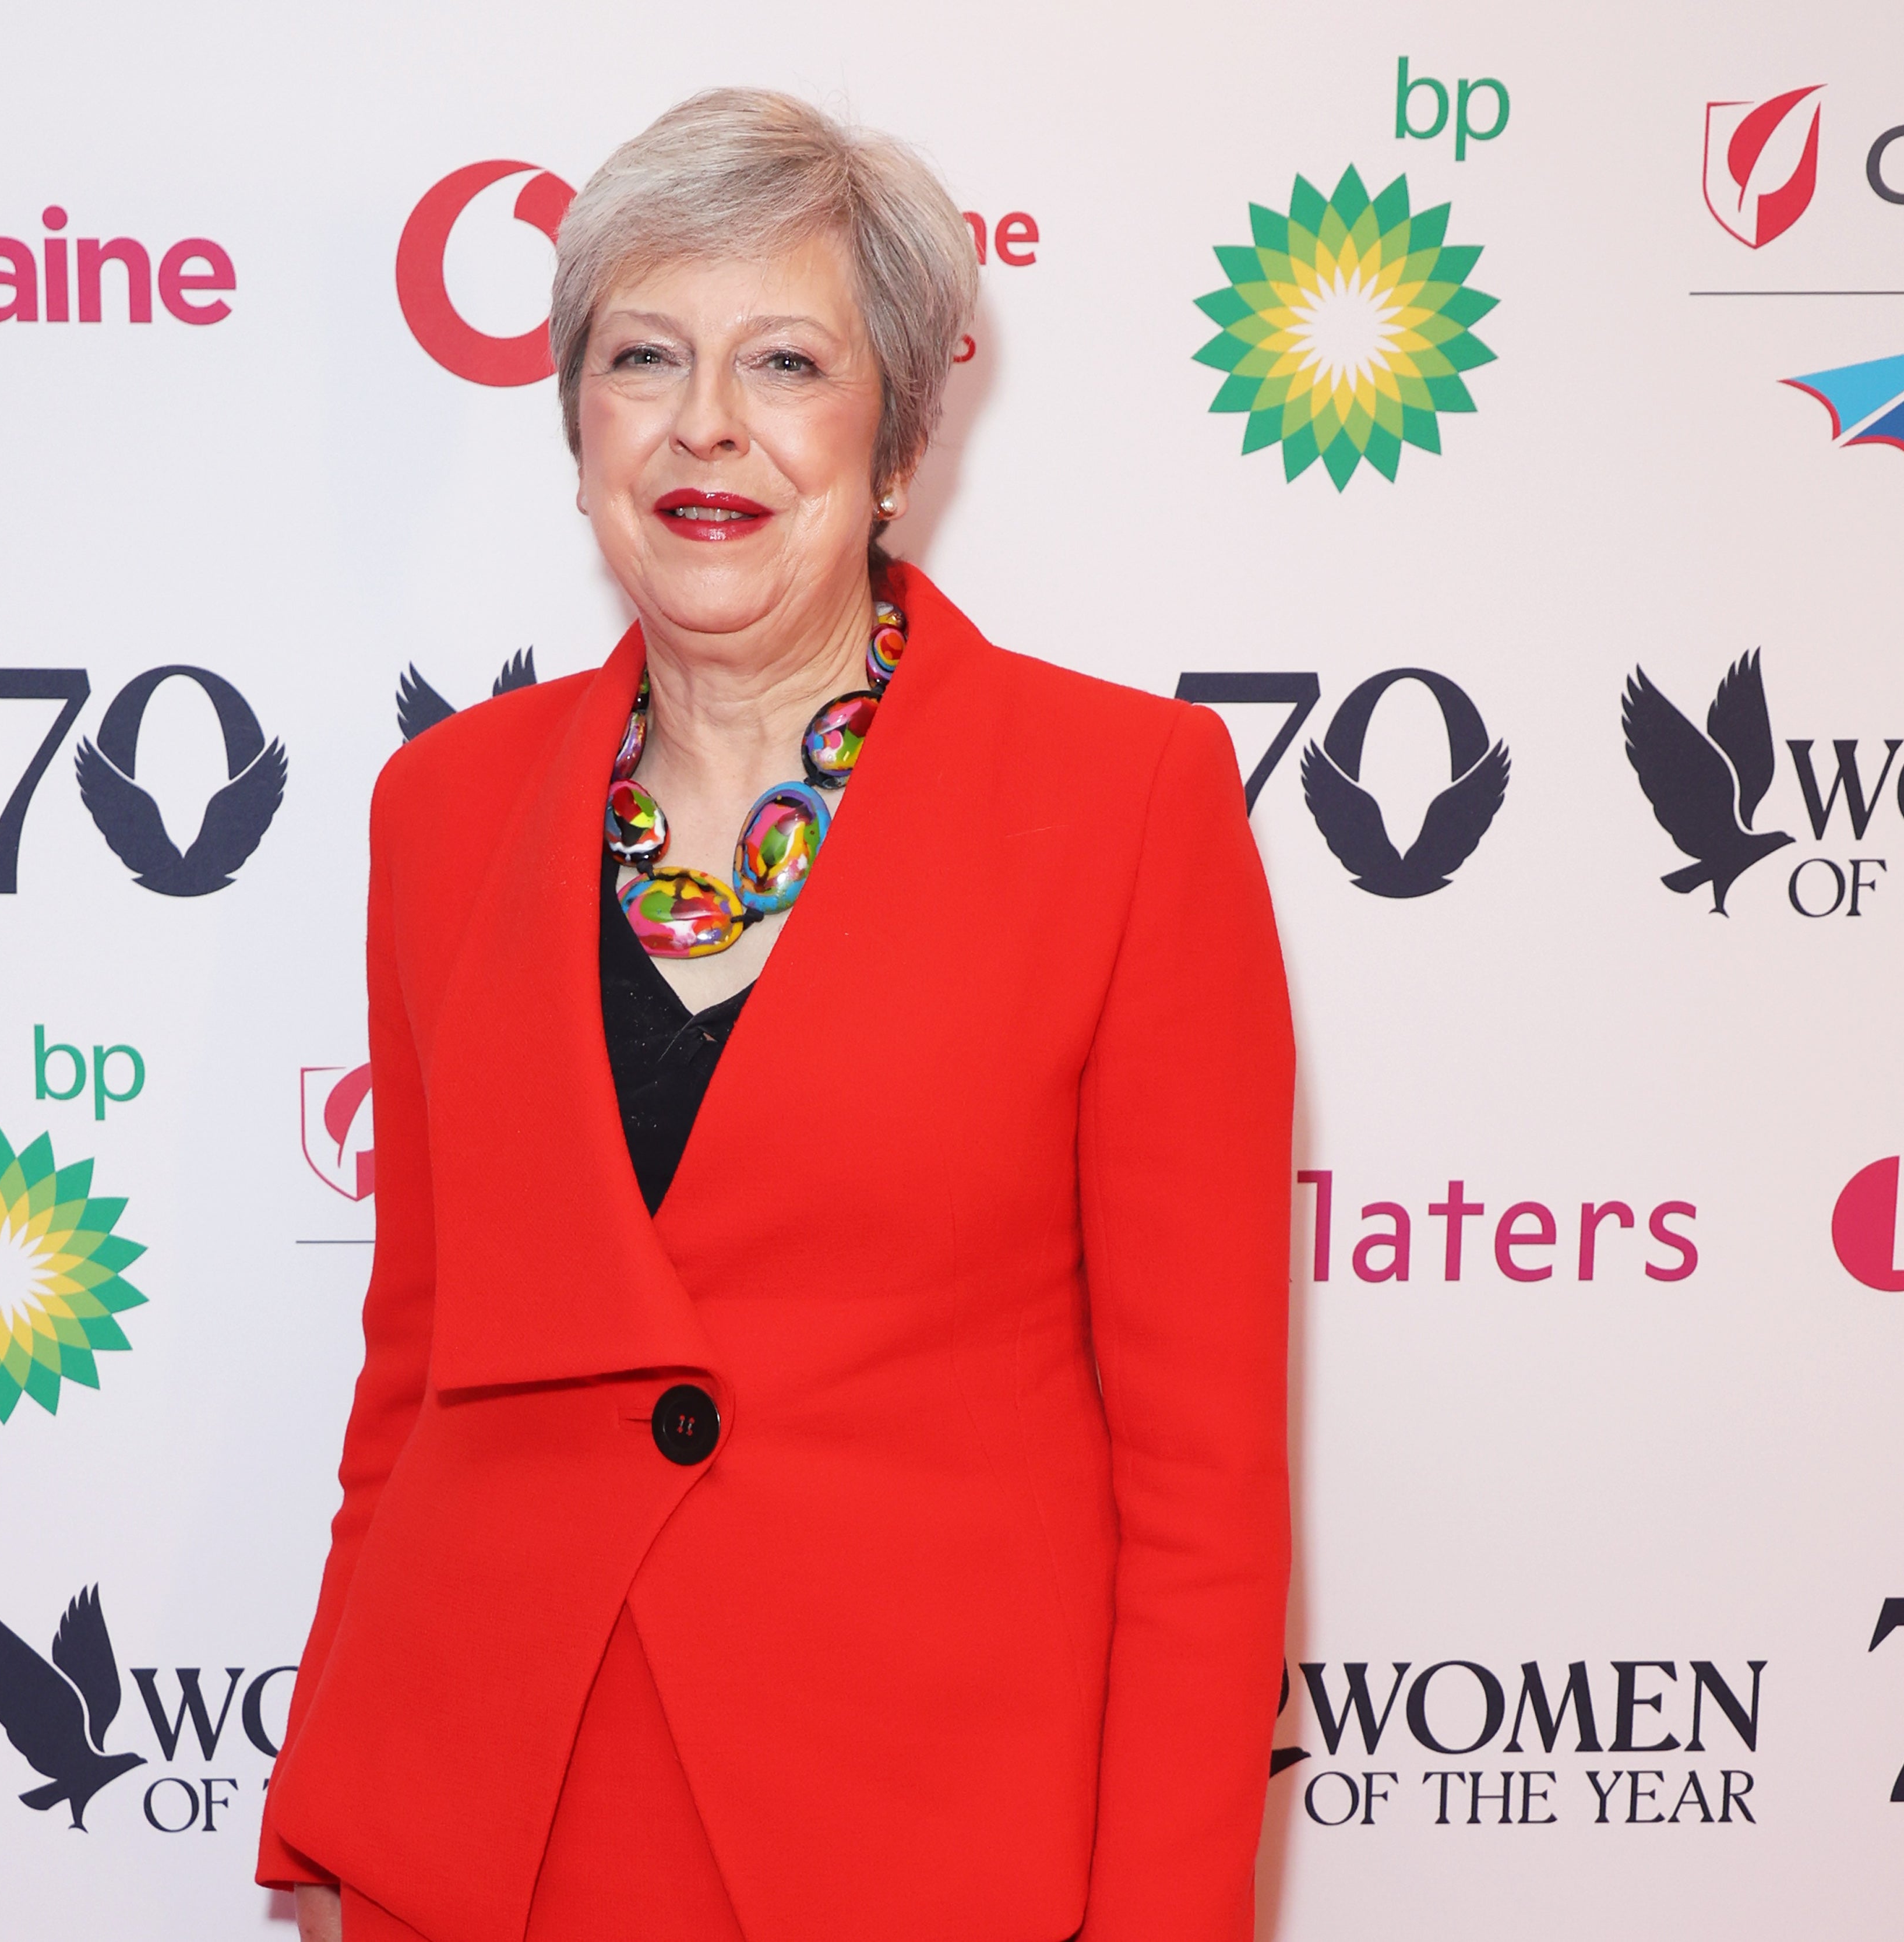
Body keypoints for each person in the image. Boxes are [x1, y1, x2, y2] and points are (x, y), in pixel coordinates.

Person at [258, 87, 1294, 1942]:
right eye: (644, 355)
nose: (706, 423)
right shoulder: (442, 812)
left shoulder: (1129, 799)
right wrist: (345, 1819)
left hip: (917, 1841)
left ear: (898, 434)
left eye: (788, 361)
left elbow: (1204, 1484)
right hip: (493, 1833)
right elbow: (411, 1378)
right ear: (577, 423)